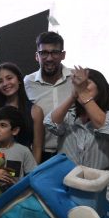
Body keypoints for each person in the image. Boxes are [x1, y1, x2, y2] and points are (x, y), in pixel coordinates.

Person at [44, 67, 109, 207]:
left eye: (86, 84)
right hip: (68, 185)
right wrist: (72, 97)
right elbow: (50, 123)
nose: (81, 88)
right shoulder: (70, 116)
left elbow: (105, 127)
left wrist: (84, 94)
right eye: (78, 85)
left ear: (101, 88)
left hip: (100, 187)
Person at [24, 31, 73, 162]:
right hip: (39, 153)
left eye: (55, 52)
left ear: (63, 55)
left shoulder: (76, 79)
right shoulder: (28, 82)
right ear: (37, 56)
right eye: (44, 53)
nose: (49, 58)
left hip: (71, 154)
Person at [0, 63, 44, 163]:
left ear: (19, 80)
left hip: (24, 165)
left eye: (9, 78)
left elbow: (37, 146)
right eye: (0, 81)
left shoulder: (35, 111)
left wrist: (32, 170)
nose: (5, 83)